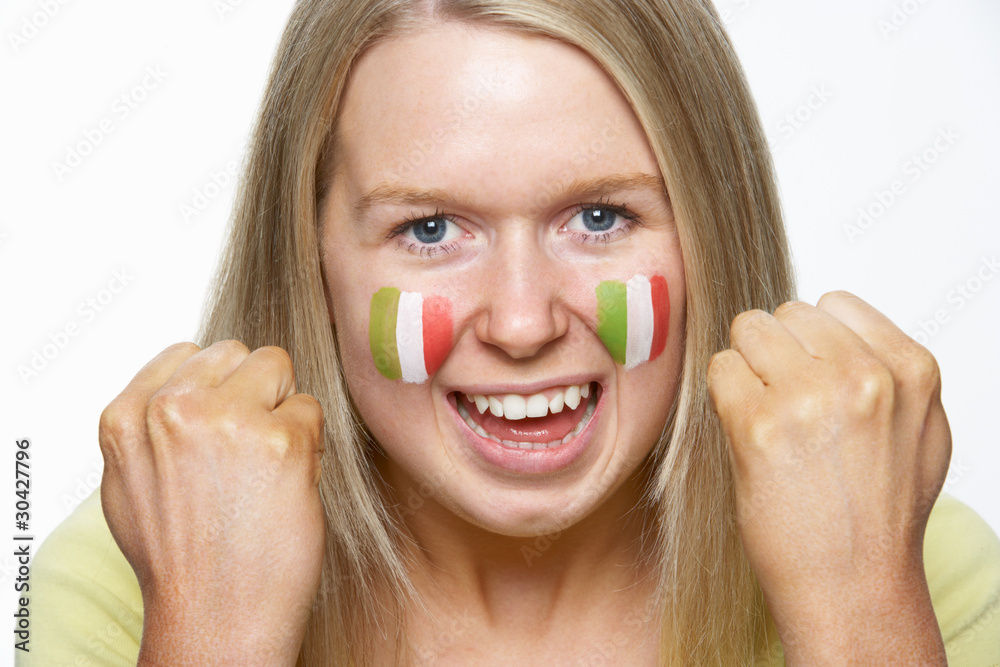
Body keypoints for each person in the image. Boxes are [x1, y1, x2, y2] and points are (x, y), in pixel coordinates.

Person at [24, 0, 1000, 665]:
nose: (525, 321)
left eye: (600, 217)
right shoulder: (147, 566)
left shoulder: (900, 550)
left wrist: (861, 615)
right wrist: (215, 632)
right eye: (430, 228)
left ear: (711, 227)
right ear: (311, 258)